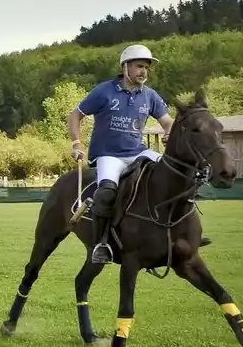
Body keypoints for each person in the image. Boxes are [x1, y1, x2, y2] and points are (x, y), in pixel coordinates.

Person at [68, 44, 173, 265]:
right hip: (109, 155)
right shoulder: (104, 91)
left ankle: (179, 234)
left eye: (146, 67)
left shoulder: (150, 96)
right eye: (139, 66)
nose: (144, 71)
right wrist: (77, 144)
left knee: (171, 175)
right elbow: (75, 115)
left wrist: (169, 133)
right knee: (106, 192)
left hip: (138, 152)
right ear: (125, 67)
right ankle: (101, 244)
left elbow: (167, 123)